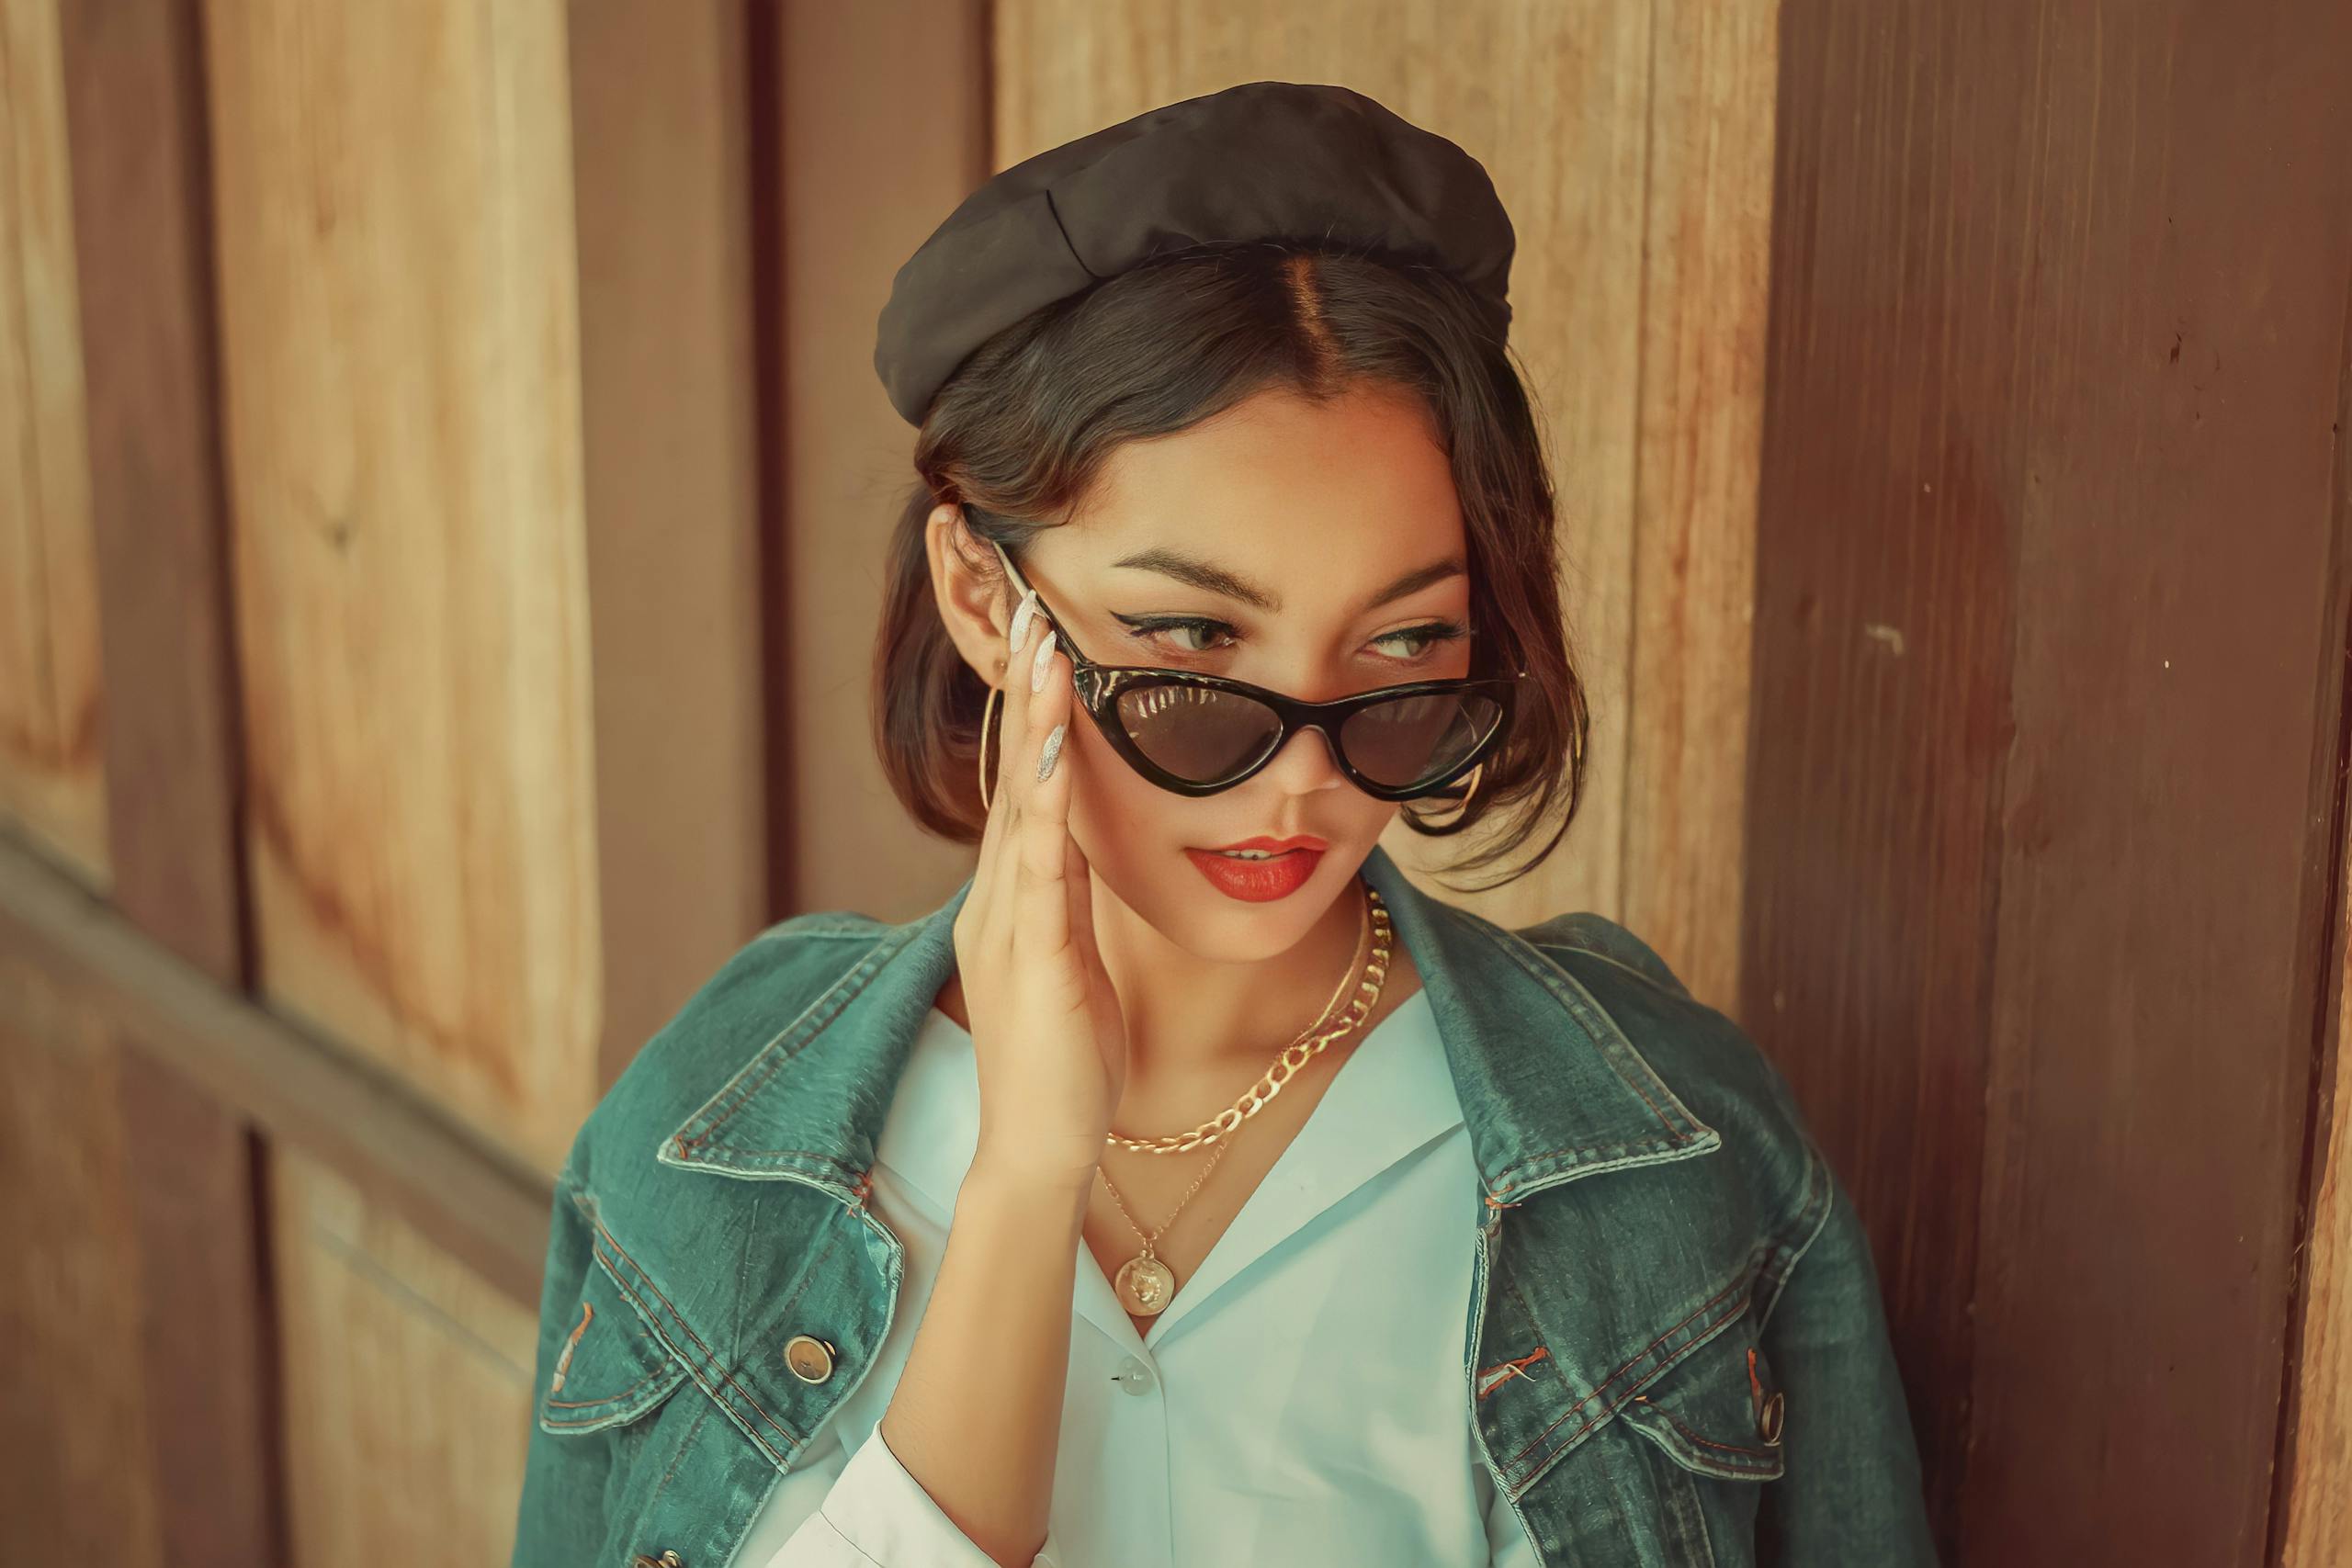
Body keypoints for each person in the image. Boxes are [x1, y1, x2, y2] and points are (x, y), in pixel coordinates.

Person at [507, 81, 1938, 1568]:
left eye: (1399, 664)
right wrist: (1025, 1180)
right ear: (987, 598)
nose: (1300, 787)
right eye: (1193, 659)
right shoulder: (707, 1139)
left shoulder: (1683, 1159)